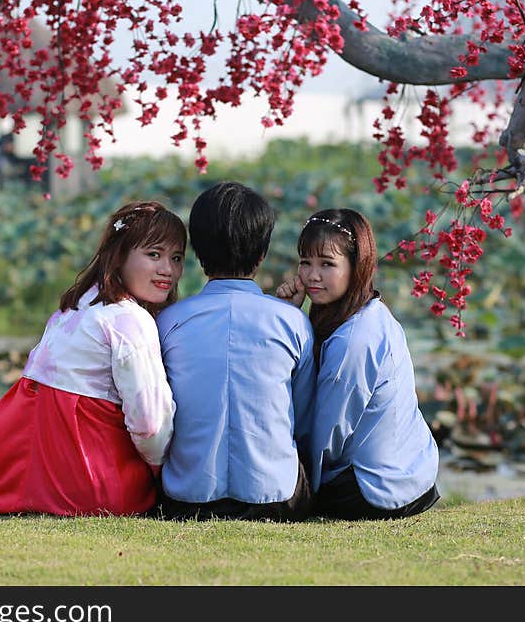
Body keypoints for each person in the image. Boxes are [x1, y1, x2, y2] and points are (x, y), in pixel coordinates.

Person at [0, 201, 187, 516]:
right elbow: (151, 426)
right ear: (119, 254)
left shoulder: (74, 307)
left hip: (29, 482)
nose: (167, 269)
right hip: (92, 486)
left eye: (177, 257)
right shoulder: (129, 320)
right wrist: (165, 472)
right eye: (154, 255)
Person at [155, 181, 316, 521]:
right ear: (262, 253)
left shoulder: (167, 323)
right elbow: (301, 419)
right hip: (275, 499)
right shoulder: (294, 323)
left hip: (186, 499)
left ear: (197, 254)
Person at [276, 208, 440, 520]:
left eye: (327, 264)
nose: (312, 275)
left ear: (357, 266)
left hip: (376, 488)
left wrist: (296, 484)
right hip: (413, 471)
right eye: (305, 262)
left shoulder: (353, 340)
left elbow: (326, 441)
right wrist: (292, 317)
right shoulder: (373, 311)